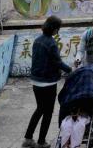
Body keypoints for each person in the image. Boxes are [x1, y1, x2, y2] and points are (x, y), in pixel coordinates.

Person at [23, 16, 71, 147]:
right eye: (58, 29)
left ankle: (28, 138)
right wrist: (70, 70)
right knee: (48, 112)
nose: (58, 32)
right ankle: (41, 141)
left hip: (36, 82)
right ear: (54, 29)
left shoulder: (37, 41)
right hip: (48, 84)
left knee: (39, 109)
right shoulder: (51, 43)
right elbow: (57, 62)